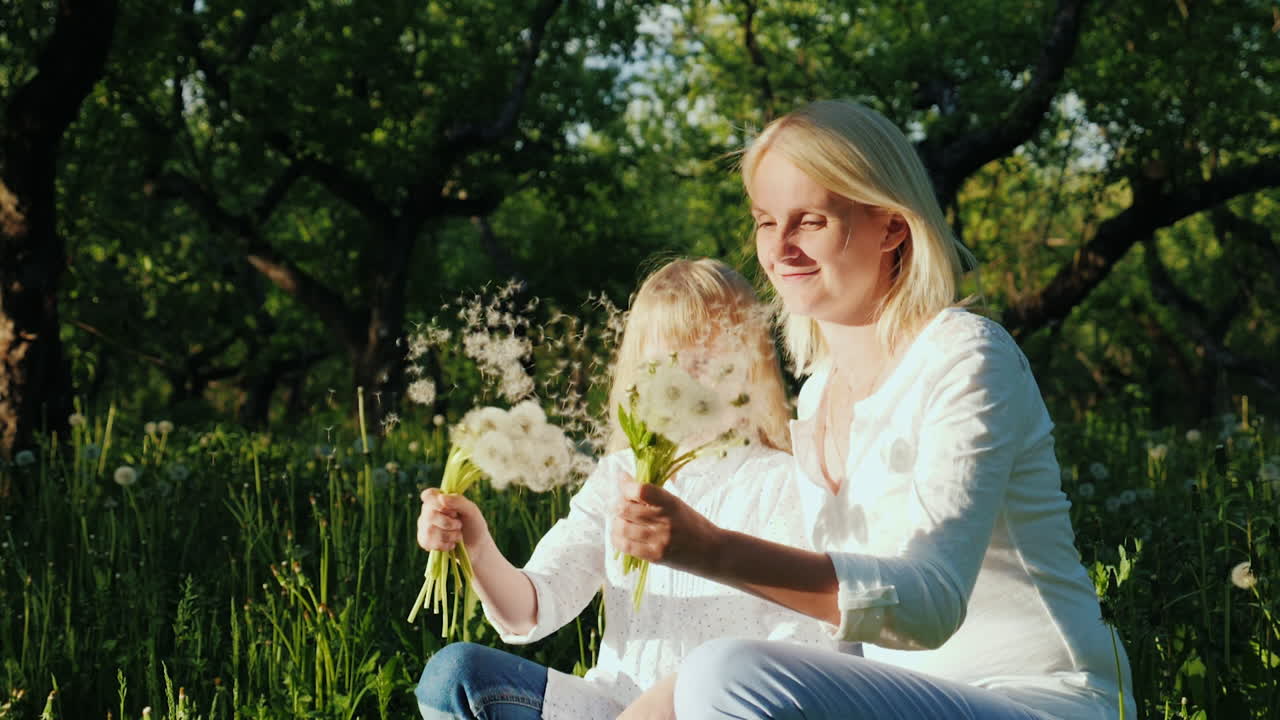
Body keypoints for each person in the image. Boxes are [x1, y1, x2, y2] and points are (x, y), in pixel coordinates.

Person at [610, 100, 1135, 720]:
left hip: (1040, 701)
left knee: (723, 674)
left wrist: (711, 549)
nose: (780, 250)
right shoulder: (818, 394)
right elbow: (836, 641)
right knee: (700, 681)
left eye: (810, 221)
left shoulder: (966, 356)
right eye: (766, 222)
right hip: (900, 702)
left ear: (891, 227)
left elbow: (931, 603)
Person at [412, 258, 836, 720]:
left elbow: (801, 647)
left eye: (705, 361)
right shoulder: (619, 477)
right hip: (610, 707)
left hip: (714, 711)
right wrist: (476, 545)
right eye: (665, 365)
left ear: (751, 368)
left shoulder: (782, 482)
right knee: (454, 674)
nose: (685, 381)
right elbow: (531, 608)